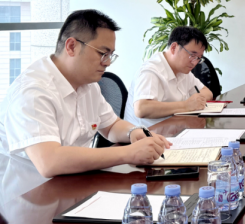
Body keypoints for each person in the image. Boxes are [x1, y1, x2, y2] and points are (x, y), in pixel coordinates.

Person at [0, 10, 171, 178]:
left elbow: (111, 126)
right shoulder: (33, 91)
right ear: (71, 47)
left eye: (111, 55)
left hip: (76, 181)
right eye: (103, 53)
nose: (108, 63)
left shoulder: (88, 86)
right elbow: (49, 162)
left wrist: (133, 132)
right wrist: (129, 153)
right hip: (35, 192)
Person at [124, 26, 213, 127]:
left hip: (173, 128)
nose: (195, 62)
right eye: (192, 55)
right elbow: (141, 109)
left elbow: (207, 92)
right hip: (145, 133)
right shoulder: (151, 71)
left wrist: (196, 101)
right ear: (174, 47)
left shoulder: (183, 70)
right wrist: (186, 105)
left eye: (198, 58)